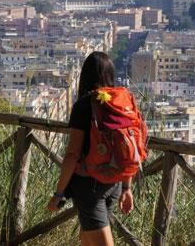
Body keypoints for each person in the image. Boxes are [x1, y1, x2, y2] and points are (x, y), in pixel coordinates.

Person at [47, 51, 133, 246]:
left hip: (89, 186)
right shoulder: (121, 103)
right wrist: (127, 187)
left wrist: (59, 194)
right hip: (114, 183)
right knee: (89, 240)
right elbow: (127, 148)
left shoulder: (84, 106)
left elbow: (72, 154)